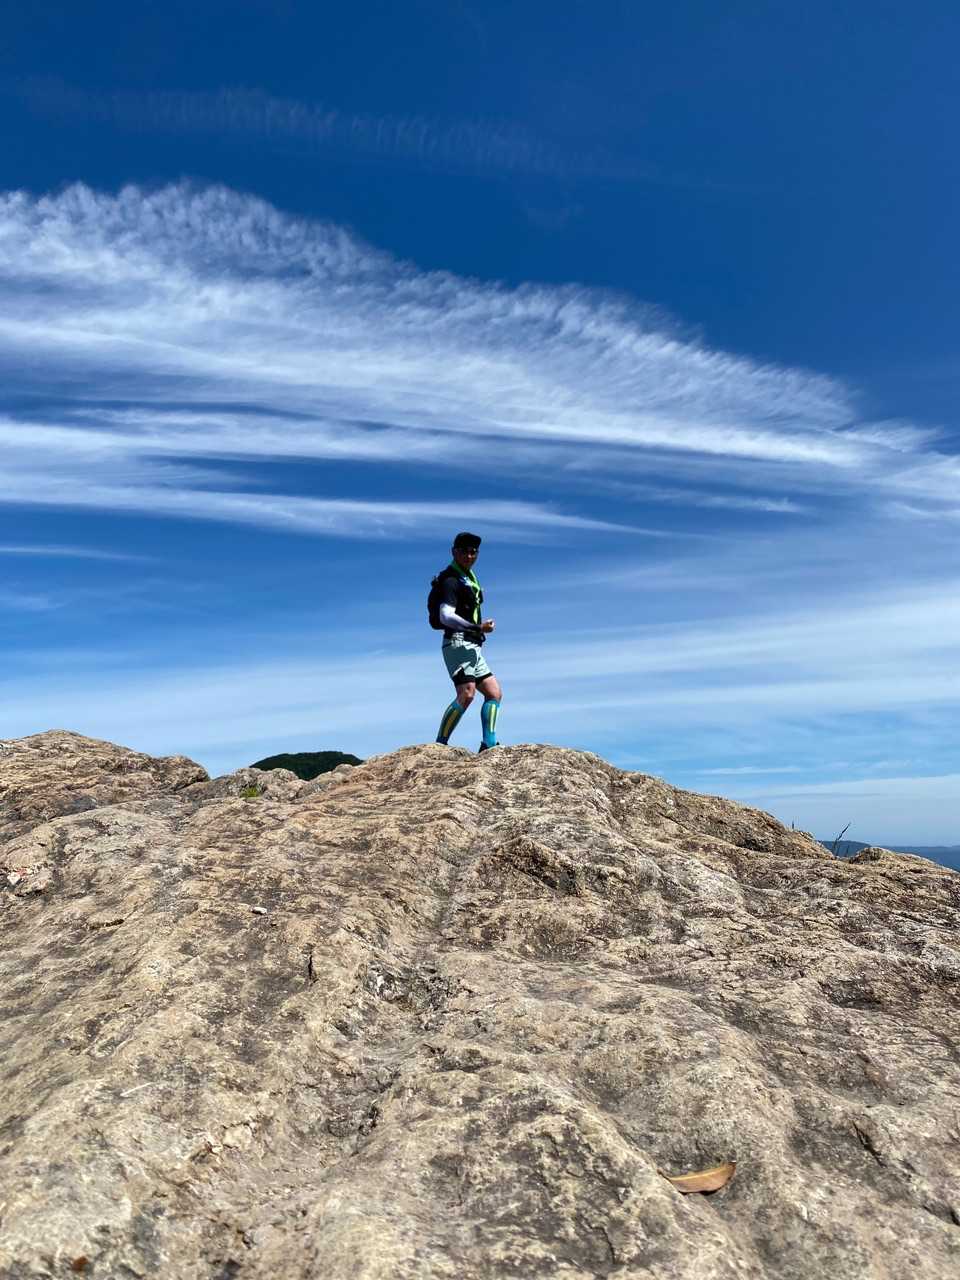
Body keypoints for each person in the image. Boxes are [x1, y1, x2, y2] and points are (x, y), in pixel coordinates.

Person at [433, 532, 502, 751]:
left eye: (473, 552)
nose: (469, 556)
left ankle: (488, 744)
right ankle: (439, 745)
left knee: (493, 692)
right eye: (464, 551)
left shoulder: (468, 577)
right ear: (454, 552)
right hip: (458, 642)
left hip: (472, 646)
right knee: (466, 693)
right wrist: (478, 627)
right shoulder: (451, 580)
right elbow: (445, 616)